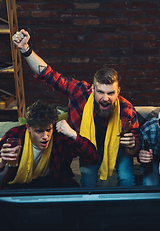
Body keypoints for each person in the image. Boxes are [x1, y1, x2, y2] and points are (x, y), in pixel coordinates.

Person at [12, 29, 140, 187]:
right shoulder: (80, 92)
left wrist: (133, 145)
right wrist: (25, 49)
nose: (105, 98)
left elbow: (134, 151)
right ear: (92, 89)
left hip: (118, 150)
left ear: (118, 92)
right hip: (87, 147)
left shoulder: (127, 110)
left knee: (127, 180)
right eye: (100, 92)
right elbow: (49, 75)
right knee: (86, 182)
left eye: (111, 93)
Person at [0, 101, 100, 189]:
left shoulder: (59, 135)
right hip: (21, 184)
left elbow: (94, 158)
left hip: (55, 181)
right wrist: (1, 162)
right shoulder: (14, 136)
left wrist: (74, 135)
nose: (45, 136)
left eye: (48, 130)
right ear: (28, 128)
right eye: (39, 131)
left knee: (74, 195)